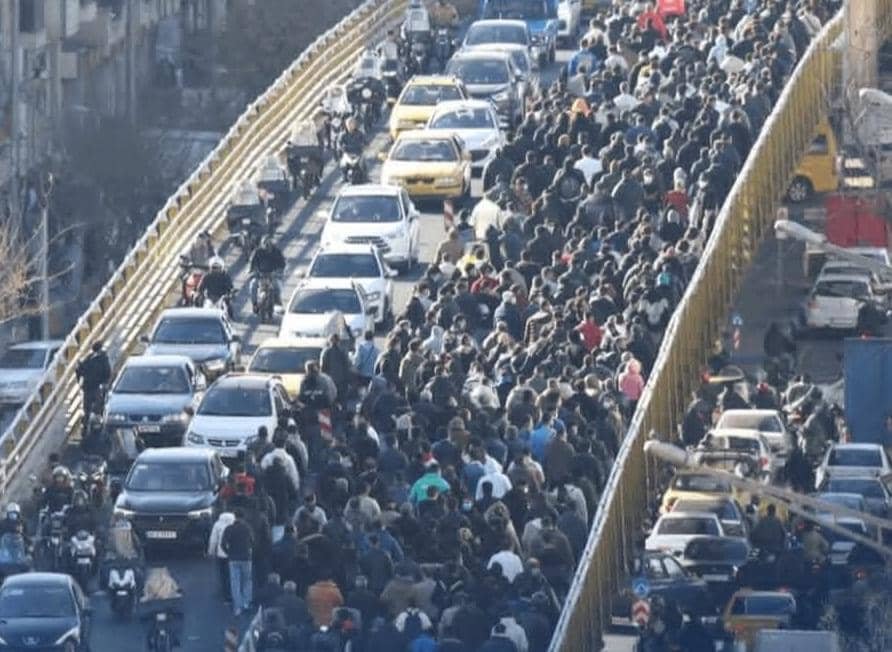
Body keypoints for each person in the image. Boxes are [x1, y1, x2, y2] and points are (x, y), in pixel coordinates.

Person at [221, 509, 255, 616]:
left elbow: (223, 544)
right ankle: (246, 603)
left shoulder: (229, 529)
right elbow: (253, 541)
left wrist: (228, 553)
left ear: (235, 517)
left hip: (233, 559)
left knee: (235, 583)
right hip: (246, 558)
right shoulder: (247, 528)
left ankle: (238, 607)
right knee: (247, 581)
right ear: (243, 517)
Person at [76, 341, 111, 423]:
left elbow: (107, 372)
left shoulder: (95, 358)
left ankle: (93, 421)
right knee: (89, 408)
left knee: (94, 407)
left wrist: (79, 379)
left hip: (94, 386)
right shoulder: (97, 358)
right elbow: (107, 372)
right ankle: (89, 422)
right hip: (90, 386)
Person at [249, 236, 286, 312]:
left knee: (277, 285)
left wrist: (279, 271)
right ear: (262, 244)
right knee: (253, 285)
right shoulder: (257, 252)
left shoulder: (277, 252)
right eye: (265, 244)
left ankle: (278, 301)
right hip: (260, 275)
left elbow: (282, 264)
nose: (267, 247)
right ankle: (254, 303)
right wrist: (252, 271)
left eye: (269, 244)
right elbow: (252, 263)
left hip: (273, 275)